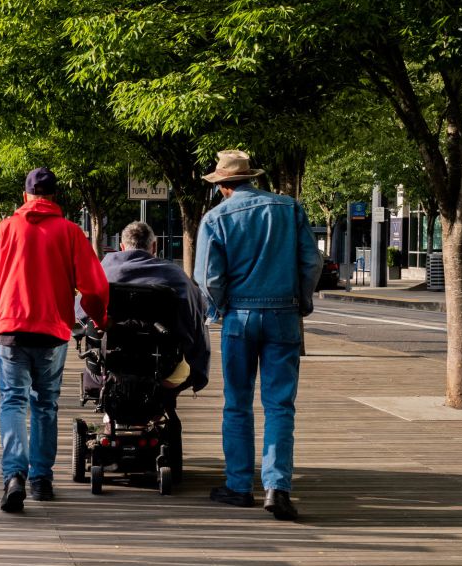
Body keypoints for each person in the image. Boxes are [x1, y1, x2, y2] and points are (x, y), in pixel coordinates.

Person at [194, 150, 321, 522]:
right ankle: (277, 488)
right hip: (283, 314)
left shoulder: (216, 218)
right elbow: (310, 262)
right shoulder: (289, 209)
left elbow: (208, 278)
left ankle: (238, 486)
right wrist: (302, 301)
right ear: (251, 178)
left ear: (222, 187)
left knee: (237, 403)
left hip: (240, 317)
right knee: (280, 405)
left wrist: (218, 309)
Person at [0, 167, 109, 513]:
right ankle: (42, 480)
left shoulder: (4, 230)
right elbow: (94, 286)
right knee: (46, 403)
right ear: (54, 197)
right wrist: (99, 318)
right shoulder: (70, 232)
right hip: (53, 332)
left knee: (13, 403)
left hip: (10, 331)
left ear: (25, 197)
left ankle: (13, 476)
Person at [86, 221, 211, 392]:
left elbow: (82, 313)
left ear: (122, 247)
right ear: (154, 246)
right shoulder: (176, 276)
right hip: (164, 366)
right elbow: (196, 315)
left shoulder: (103, 272)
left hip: (110, 363)